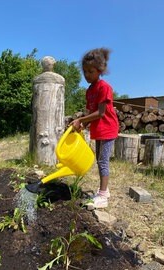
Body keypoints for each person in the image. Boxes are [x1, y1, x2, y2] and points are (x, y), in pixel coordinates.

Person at [70, 48, 119, 209]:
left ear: (100, 71)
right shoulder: (89, 91)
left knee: (103, 162)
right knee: (100, 160)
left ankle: (103, 196)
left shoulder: (104, 87)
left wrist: (81, 119)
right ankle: (104, 190)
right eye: (85, 71)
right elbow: (92, 113)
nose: (87, 75)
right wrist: (83, 124)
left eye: (91, 71)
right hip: (98, 130)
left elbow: (101, 112)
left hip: (108, 128)